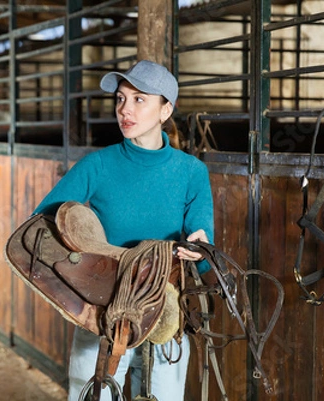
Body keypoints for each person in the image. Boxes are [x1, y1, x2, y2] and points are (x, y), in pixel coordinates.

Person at [32, 60, 214, 401]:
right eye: (120, 99)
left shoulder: (191, 172)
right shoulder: (97, 165)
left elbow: (203, 247)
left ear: (166, 110)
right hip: (103, 308)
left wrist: (199, 248)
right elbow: (40, 223)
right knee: (87, 394)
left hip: (166, 307)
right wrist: (79, 266)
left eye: (139, 99)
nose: (124, 110)